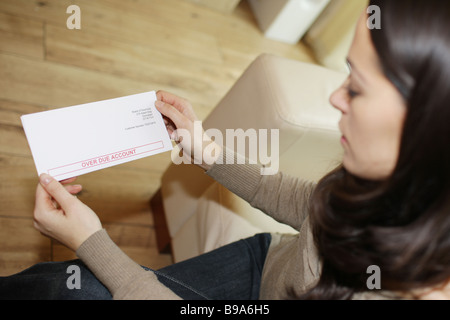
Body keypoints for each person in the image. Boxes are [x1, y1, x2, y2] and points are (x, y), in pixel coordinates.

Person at [1, 0, 449, 300]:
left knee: (76, 289)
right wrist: (206, 150)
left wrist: (90, 242)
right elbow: (304, 204)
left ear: (423, 127)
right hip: (265, 262)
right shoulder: (389, 179)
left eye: (358, 88)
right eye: (346, 73)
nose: (336, 97)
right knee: (62, 284)